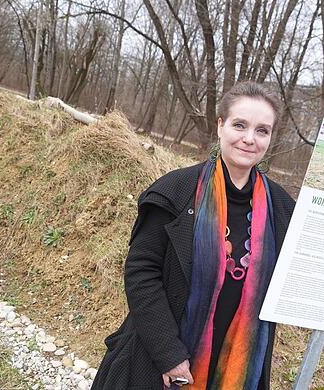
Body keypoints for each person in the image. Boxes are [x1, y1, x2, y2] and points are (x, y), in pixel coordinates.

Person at [92, 81, 295, 390]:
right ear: (220, 126)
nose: (249, 139)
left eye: (262, 130)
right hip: (164, 361)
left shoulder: (282, 208)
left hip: (239, 367)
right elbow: (141, 272)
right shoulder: (177, 191)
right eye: (239, 125)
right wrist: (169, 355)